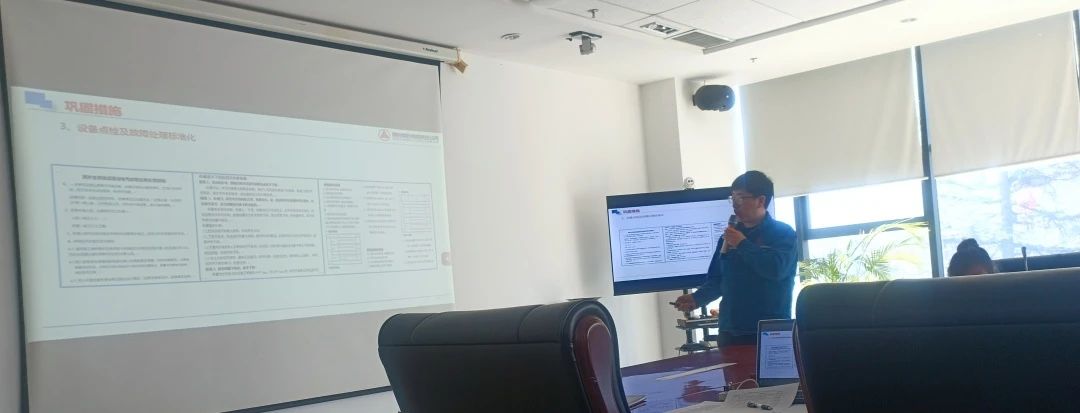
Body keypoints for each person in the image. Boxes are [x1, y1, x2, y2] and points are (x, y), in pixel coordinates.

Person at [673, 171, 797, 346]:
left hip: (769, 331)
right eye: (732, 199)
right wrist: (697, 298)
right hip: (730, 332)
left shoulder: (783, 234)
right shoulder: (729, 237)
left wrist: (742, 244)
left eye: (740, 198)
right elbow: (718, 280)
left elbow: (776, 269)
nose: (735, 205)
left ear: (761, 200)